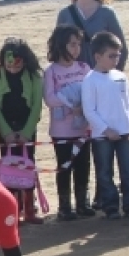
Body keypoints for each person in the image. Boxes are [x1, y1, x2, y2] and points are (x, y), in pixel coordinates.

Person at [83, 32, 129, 219]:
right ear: (97, 56)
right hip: (102, 137)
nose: (116, 59)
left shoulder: (121, 77)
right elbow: (89, 110)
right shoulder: (90, 80)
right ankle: (110, 207)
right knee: (104, 172)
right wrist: (105, 129)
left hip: (125, 133)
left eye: (118, 55)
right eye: (111, 55)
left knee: (128, 171)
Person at [0, 37, 45, 225]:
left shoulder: (34, 77)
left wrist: (27, 132)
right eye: (9, 65)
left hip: (26, 128)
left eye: (17, 65)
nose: (12, 69)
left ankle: (30, 208)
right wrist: (6, 132)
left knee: (28, 167)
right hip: (6, 130)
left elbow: (37, 105)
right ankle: (13, 209)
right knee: (8, 169)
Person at [44, 25, 93, 221]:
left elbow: (92, 92)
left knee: (83, 166)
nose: (76, 48)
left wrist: (84, 106)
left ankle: (83, 203)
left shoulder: (84, 68)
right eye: (72, 44)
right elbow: (49, 98)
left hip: (83, 128)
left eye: (78, 44)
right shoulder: (51, 71)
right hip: (61, 130)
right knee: (64, 167)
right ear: (60, 45)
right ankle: (65, 206)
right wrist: (72, 104)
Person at [57, 0, 127, 72]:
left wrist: (112, 76)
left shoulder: (107, 13)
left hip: (103, 79)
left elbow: (122, 50)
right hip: (74, 81)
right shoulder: (64, 14)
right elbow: (58, 50)